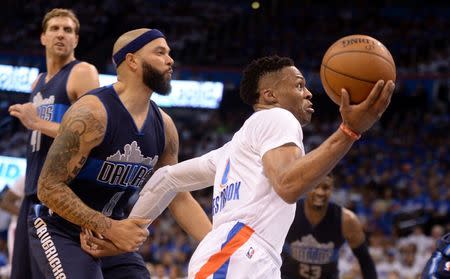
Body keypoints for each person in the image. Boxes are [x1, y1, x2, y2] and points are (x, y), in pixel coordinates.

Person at [84, 55, 395, 278]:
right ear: (270, 95)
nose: (309, 92)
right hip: (239, 254)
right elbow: (288, 185)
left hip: (240, 253)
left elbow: (166, 179)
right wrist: (349, 132)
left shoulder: (233, 149)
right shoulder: (277, 117)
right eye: (299, 85)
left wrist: (129, 233)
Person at [35, 28, 212, 279]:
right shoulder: (91, 112)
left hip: (113, 234)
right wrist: (109, 227)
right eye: (160, 52)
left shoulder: (165, 126)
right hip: (62, 230)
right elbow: (48, 187)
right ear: (132, 60)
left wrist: (220, 246)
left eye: (169, 53)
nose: (170, 59)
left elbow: (177, 195)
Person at [8, 8, 100, 279]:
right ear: (43, 38)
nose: (61, 34)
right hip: (32, 192)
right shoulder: (37, 82)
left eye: (68, 30)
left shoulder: (82, 72)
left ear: (76, 40)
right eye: (55, 29)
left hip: (61, 195)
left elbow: (93, 135)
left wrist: (36, 123)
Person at [280, 175, 377, 279]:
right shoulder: (288, 211)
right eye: (315, 186)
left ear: (332, 189)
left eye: (325, 187)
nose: (320, 192)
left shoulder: (347, 220)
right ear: (307, 187)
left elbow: (365, 260)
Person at [0, 175, 24, 277]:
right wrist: (27, 216)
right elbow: (5, 203)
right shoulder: (25, 177)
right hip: (19, 227)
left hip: (40, 228)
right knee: (18, 266)